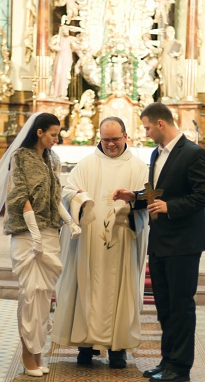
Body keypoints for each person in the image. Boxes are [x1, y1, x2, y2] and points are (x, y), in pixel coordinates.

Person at [0, 112, 81, 377]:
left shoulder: (53, 159)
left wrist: (70, 223)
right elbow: (20, 197)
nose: (56, 139)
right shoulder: (20, 157)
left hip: (49, 232)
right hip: (25, 234)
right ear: (39, 132)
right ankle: (26, 353)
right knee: (30, 293)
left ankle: (38, 351)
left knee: (44, 295)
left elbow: (55, 196)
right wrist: (34, 234)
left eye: (58, 135)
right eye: (53, 134)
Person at [113, 102, 205, 382]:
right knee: (165, 306)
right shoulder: (156, 154)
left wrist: (171, 207)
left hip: (183, 242)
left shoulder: (193, 153)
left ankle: (180, 367)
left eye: (147, 127)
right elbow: (156, 194)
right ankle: (167, 360)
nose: (145, 133)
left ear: (160, 123)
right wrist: (134, 197)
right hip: (159, 241)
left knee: (181, 306)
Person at [53, 117, 149, 368]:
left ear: (126, 136)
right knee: (86, 286)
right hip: (90, 239)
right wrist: (80, 200)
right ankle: (85, 346)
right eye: (105, 140)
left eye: (115, 139)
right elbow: (67, 192)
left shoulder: (138, 167)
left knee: (120, 290)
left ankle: (118, 349)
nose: (110, 144)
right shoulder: (86, 164)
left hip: (123, 238)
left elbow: (147, 199)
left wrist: (130, 204)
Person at [158, 26, 183, 100]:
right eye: (166, 32)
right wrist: (150, 46)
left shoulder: (177, 42)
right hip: (165, 62)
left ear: (173, 32)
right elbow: (159, 51)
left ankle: (174, 95)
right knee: (165, 77)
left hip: (173, 63)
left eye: (169, 31)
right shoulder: (164, 42)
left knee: (173, 77)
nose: (167, 33)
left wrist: (176, 54)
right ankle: (166, 95)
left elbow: (181, 52)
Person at [50, 26, 74, 99]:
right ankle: (55, 92)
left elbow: (75, 46)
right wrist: (57, 48)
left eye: (67, 30)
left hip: (67, 56)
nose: (66, 31)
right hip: (60, 56)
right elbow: (50, 45)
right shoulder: (58, 38)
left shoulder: (70, 39)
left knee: (65, 74)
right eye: (65, 30)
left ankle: (62, 93)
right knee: (58, 73)